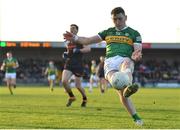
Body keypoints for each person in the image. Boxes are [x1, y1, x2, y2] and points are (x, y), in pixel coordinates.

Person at [63, 7, 143, 125]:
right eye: (114, 19)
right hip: (110, 62)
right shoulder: (107, 32)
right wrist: (75, 38)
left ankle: (129, 90)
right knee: (118, 85)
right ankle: (133, 109)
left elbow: (137, 50)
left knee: (127, 65)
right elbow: (88, 40)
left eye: (120, 19)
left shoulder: (134, 33)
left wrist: (136, 55)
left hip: (124, 58)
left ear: (125, 18)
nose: (117, 22)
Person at [62, 24, 91, 107]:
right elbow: (69, 51)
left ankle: (85, 98)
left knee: (78, 86)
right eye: (70, 29)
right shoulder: (67, 41)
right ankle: (71, 96)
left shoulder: (81, 40)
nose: (72, 30)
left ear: (77, 30)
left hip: (78, 64)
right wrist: (66, 54)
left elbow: (88, 49)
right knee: (64, 81)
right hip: (69, 63)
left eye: (74, 28)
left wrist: (78, 50)